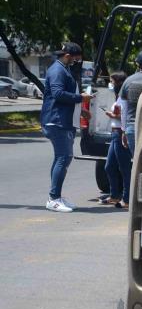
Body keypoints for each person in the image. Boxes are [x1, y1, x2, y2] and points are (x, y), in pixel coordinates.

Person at [40, 42, 92, 212]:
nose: (77, 61)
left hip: (64, 120)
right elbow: (58, 94)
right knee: (64, 157)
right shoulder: (57, 70)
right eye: (76, 57)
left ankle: (56, 196)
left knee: (62, 158)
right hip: (56, 121)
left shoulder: (64, 69)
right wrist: (81, 98)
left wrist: (81, 112)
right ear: (68, 55)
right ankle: (53, 199)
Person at [100, 72, 131, 208]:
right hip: (115, 134)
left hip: (120, 133)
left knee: (124, 167)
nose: (111, 85)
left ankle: (127, 198)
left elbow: (124, 116)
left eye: (112, 82)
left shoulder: (124, 97)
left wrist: (112, 115)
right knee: (110, 166)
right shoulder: (119, 97)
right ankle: (114, 195)